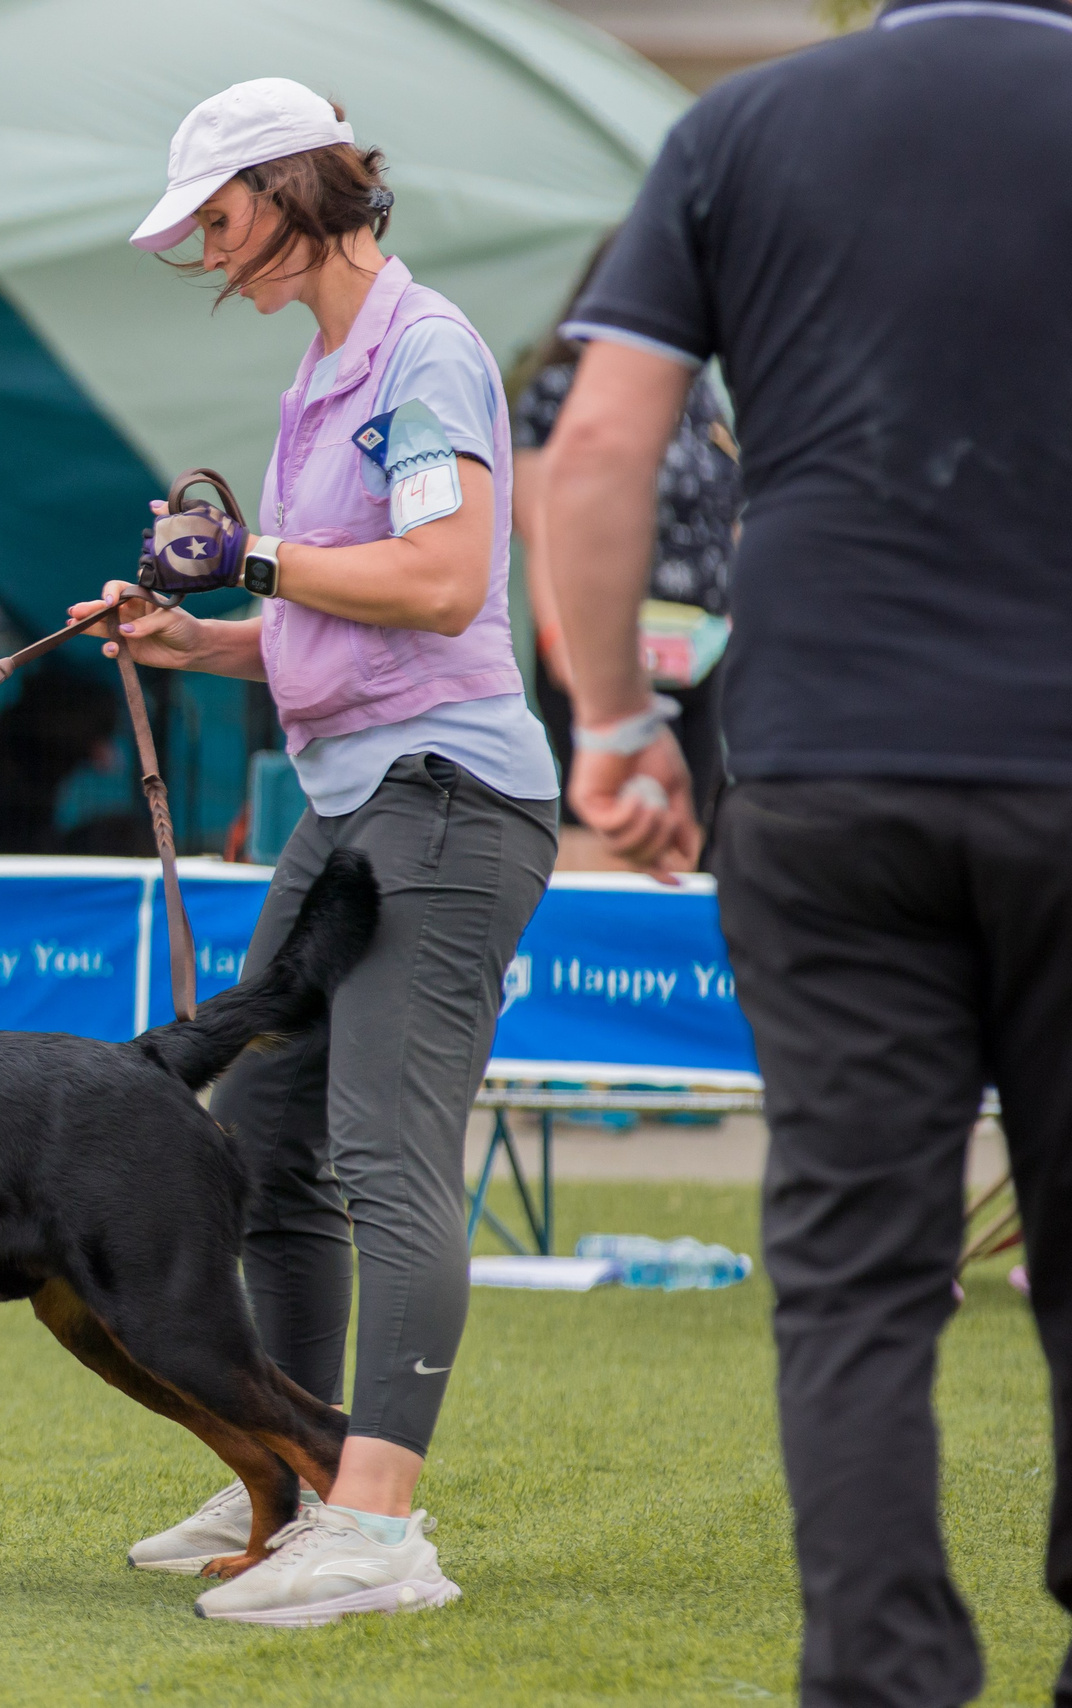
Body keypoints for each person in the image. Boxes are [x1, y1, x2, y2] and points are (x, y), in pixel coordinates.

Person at [536, 3, 1072, 1702]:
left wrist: (616, 733)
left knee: (855, 1277)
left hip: (827, 764)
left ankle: (883, 1677)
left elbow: (600, 448)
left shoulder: (744, 130)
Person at [84, 77, 558, 1624]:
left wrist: (260, 556)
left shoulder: (424, 350)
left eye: (220, 221)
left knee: (380, 1152)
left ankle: (384, 1529)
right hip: (356, 798)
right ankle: (295, 1473)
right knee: (268, 1147)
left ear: (297, 189)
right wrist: (192, 638)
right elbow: (324, 623)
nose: (214, 257)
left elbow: (438, 581)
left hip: (447, 800)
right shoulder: (328, 366)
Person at [508, 228, 741, 841]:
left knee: (694, 824)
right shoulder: (559, 390)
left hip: (704, 650)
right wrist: (568, 648)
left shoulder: (699, 394)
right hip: (606, 649)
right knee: (610, 828)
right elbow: (544, 530)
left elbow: (730, 509)